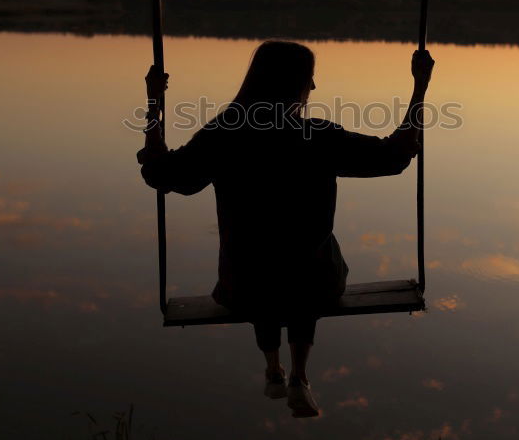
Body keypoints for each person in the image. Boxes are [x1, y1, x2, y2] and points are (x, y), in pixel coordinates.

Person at [138, 40, 434, 418]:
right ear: (296, 84)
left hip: (242, 289)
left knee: (262, 261)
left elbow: (162, 174)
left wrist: (153, 105)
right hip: (314, 286)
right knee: (309, 255)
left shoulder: (224, 135)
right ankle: (298, 376)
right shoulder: (318, 136)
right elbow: (394, 157)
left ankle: (275, 369)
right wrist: (420, 86)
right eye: (310, 79)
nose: (313, 88)